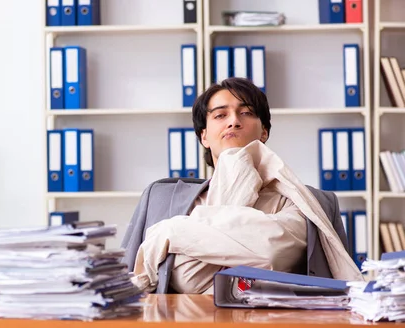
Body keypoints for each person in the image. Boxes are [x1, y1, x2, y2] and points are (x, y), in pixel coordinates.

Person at [121, 77, 363, 294]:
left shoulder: (306, 202)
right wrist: (242, 244)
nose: (234, 121)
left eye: (246, 113)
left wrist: (170, 232)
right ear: (204, 136)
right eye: (220, 115)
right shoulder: (162, 197)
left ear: (264, 132)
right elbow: (127, 281)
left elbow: (272, 251)